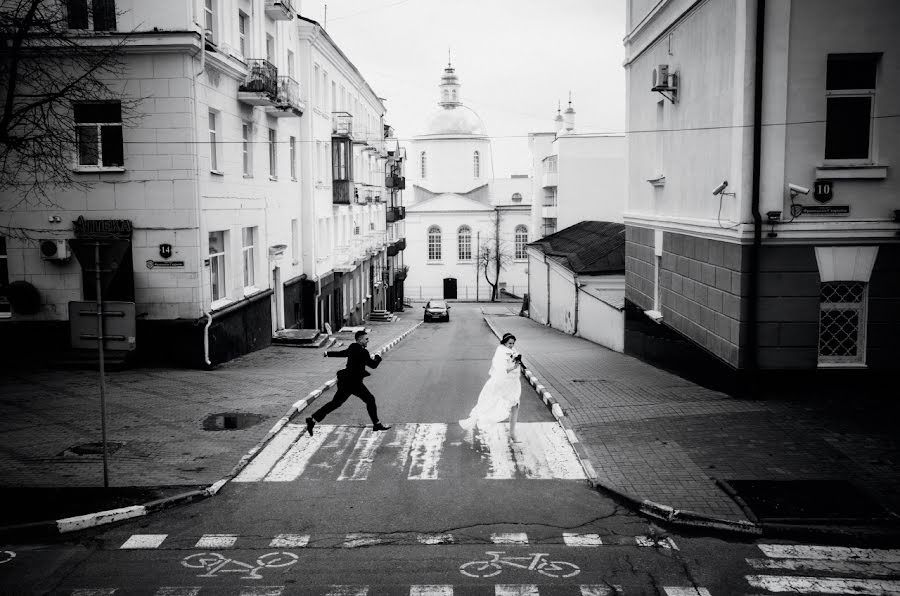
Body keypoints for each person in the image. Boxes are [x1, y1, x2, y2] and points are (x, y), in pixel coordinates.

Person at [306, 330, 391, 435]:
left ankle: (313, 419)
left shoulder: (353, 347)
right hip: (354, 383)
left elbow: (343, 353)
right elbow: (373, 365)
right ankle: (377, 424)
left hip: (345, 381)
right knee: (370, 400)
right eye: (366, 339)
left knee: (335, 403)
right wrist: (378, 357)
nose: (368, 341)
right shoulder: (363, 352)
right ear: (360, 339)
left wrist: (328, 353)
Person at [459, 332, 523, 439]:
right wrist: (514, 366)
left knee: (515, 405)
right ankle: (482, 420)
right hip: (504, 383)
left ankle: (512, 433)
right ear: (504, 342)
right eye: (510, 343)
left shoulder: (512, 351)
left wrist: (517, 362)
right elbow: (501, 370)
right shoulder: (501, 352)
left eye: (513, 343)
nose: (511, 345)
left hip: (514, 383)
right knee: (493, 405)